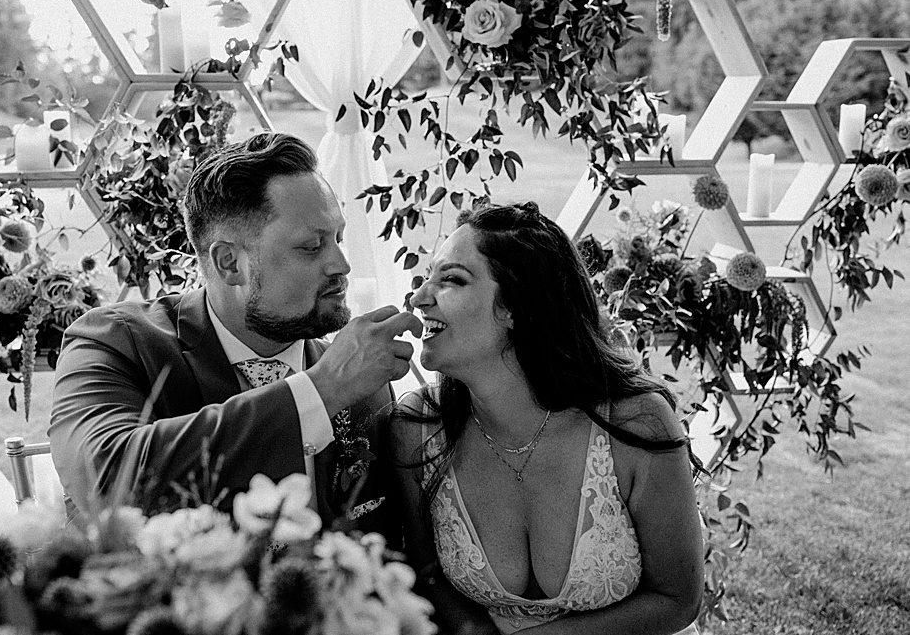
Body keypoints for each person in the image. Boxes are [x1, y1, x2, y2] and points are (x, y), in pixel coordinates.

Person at [48, 132, 420, 530]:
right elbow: (104, 481)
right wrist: (321, 391)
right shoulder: (114, 343)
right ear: (229, 263)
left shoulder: (362, 377)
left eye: (338, 239)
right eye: (312, 247)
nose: (341, 265)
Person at [386, 202, 704, 634]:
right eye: (427, 279)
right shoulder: (419, 427)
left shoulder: (636, 422)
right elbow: (426, 573)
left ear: (517, 307)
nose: (419, 298)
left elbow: (677, 599)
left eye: (452, 280)